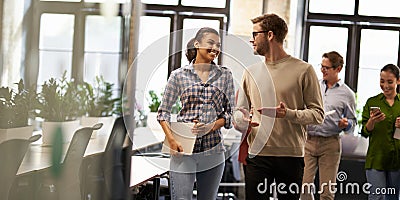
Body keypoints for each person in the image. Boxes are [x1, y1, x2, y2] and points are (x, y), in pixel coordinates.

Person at [234, 13, 324, 200]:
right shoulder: (250, 72)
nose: (252, 40)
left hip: (290, 156)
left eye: (255, 34)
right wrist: (240, 121)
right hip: (257, 155)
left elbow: (318, 115)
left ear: (270, 35)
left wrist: (287, 114)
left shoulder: (304, 70)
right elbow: (239, 111)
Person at [157, 27, 235, 200]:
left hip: (213, 151)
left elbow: (231, 113)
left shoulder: (225, 75)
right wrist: (171, 140)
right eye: (210, 43)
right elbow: (163, 113)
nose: (215, 48)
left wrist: (212, 126)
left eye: (218, 45)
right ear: (197, 44)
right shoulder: (178, 75)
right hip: (183, 149)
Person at [301, 51, 357, 200]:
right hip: (308, 140)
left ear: (338, 69)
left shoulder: (347, 94)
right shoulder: (313, 86)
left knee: (327, 192)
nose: (322, 70)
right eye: (321, 66)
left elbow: (353, 122)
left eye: (326, 68)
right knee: (303, 188)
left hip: (330, 143)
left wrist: (346, 124)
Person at [360, 63, 400, 200]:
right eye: (382, 81)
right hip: (376, 158)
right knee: (376, 197)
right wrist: (372, 121)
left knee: (393, 198)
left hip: (397, 160)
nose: (385, 85)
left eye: (390, 82)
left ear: (398, 81)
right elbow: (364, 132)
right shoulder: (372, 102)